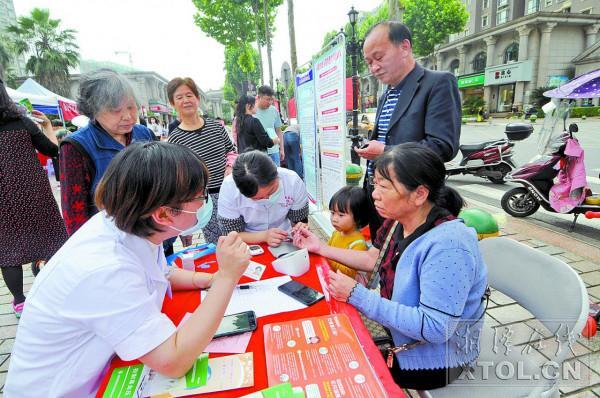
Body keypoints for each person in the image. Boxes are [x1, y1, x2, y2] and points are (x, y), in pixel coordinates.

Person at [4, 142, 251, 397]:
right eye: (200, 196)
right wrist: (226, 277)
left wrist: (209, 279)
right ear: (164, 215)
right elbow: (173, 361)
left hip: (104, 370)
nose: (204, 204)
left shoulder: (130, 224)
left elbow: (160, 272)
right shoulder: (105, 267)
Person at [293, 143, 487, 390]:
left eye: (384, 186)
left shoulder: (449, 246)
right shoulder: (398, 221)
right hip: (401, 336)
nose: (374, 194)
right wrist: (319, 248)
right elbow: (372, 259)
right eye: (375, 184)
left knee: (337, 367)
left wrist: (357, 295)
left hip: (435, 359)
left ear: (419, 194)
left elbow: (436, 328)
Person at [354, 21, 461, 237]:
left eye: (379, 57)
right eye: (369, 62)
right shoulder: (386, 95)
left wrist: (384, 151)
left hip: (412, 202)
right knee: (380, 257)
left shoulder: (438, 83)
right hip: (381, 195)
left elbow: (442, 146)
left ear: (404, 47)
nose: (374, 67)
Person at [0, 79, 68, 318]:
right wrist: (48, 125)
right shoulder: (22, 122)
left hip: (2, 199)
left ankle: (20, 302)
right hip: (32, 192)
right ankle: (54, 292)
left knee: (8, 249)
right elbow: (53, 150)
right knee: (49, 238)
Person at [59, 69, 155, 235]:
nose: (127, 116)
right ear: (93, 110)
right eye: (115, 110)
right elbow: (74, 214)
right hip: (109, 239)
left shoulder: (144, 134)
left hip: (151, 232)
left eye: (131, 107)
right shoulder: (76, 146)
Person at [167, 77, 236, 245]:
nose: (185, 100)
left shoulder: (216, 127)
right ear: (173, 104)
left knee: (237, 234)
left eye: (189, 95)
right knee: (216, 241)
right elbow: (178, 175)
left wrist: (229, 166)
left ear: (197, 98)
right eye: (179, 97)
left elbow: (231, 151)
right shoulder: (175, 139)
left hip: (230, 191)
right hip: (204, 199)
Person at [218, 150, 308, 247]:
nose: (268, 199)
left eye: (272, 191)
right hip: (247, 244)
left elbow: (299, 220)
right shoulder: (229, 188)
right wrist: (263, 236)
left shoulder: (293, 181)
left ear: (276, 175)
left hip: (285, 238)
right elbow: (231, 234)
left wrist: (300, 230)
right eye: (258, 198)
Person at [326, 186, 369, 279]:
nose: (334, 219)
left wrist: (328, 257)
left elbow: (348, 273)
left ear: (357, 217)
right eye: (332, 213)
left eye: (341, 215)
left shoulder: (358, 244)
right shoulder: (336, 233)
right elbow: (326, 249)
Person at [255, 85, 284, 166]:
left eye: (272, 99)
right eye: (267, 99)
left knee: (276, 176)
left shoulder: (274, 110)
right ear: (259, 97)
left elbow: (278, 130)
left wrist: (281, 149)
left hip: (274, 152)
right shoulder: (252, 111)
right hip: (258, 153)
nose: (270, 102)